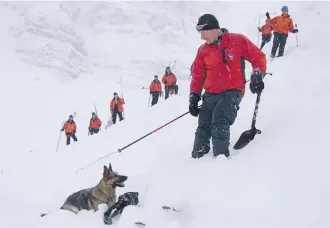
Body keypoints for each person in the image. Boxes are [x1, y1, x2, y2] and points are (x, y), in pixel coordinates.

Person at [189, 14, 267, 159]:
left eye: (203, 33)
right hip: (211, 93)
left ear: (212, 29)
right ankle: (197, 159)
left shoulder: (237, 40)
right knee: (204, 123)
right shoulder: (203, 50)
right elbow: (198, 75)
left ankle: (221, 159)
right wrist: (194, 96)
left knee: (220, 118)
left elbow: (258, 57)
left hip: (233, 90)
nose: (201, 38)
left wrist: (257, 73)